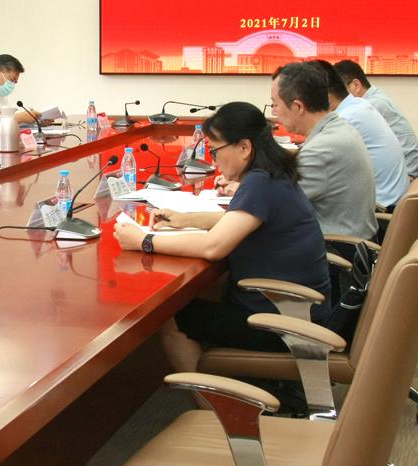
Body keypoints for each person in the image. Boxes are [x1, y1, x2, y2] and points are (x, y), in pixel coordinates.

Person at [114, 102, 334, 371]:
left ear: (244, 147)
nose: (214, 159)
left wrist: (143, 241)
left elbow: (213, 247)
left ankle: (209, 396)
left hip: (282, 323)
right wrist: (185, 220)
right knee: (205, 294)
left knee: (169, 317)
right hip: (297, 310)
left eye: (215, 150)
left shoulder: (260, 183)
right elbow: (242, 220)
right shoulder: (272, 174)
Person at [267, 61, 377, 240]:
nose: (274, 112)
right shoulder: (338, 128)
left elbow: (271, 207)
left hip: (333, 248)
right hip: (347, 238)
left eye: (275, 104)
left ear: (298, 107)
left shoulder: (323, 148)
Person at [310, 59, 409, 209]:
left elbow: (316, 168)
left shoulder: (346, 118)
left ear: (326, 96)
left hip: (381, 206)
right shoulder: (359, 105)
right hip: (392, 196)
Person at [333, 59, 418, 174]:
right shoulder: (375, 98)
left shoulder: (370, 105)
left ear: (356, 85)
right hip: (401, 167)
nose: (337, 97)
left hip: (406, 171)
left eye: (339, 91)